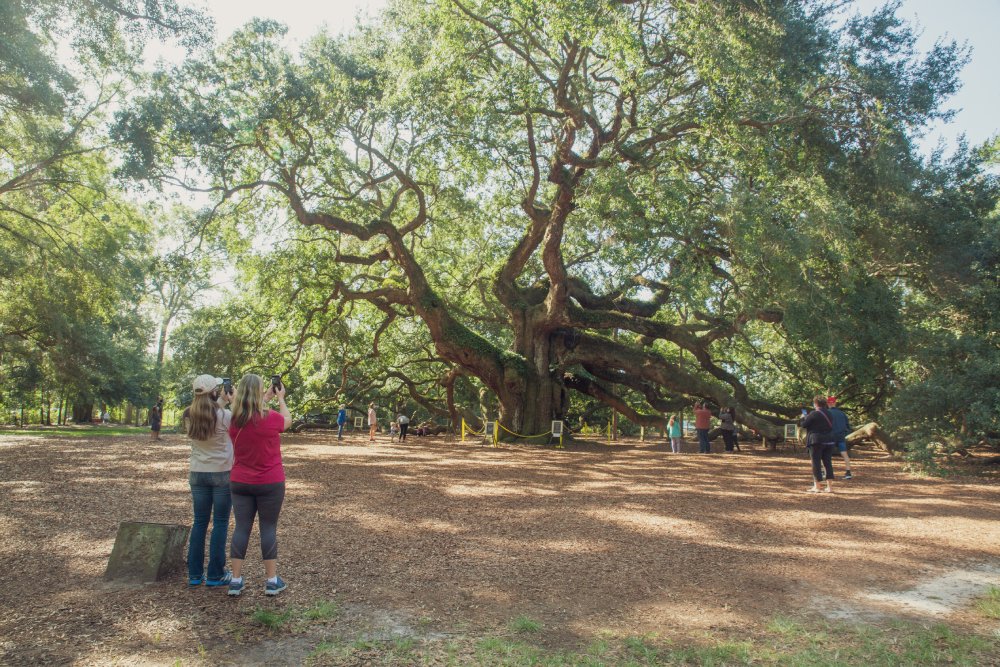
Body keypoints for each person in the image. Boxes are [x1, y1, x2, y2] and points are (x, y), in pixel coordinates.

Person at [226, 374, 292, 596]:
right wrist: (280, 398)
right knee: (268, 528)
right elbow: (287, 421)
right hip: (270, 481)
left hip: (240, 481)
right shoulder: (270, 417)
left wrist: (263, 398)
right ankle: (272, 580)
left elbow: (247, 412)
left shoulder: (233, 419)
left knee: (242, 527)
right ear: (259, 392)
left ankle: (235, 580)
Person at [185, 374, 233, 588]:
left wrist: (222, 400)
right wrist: (228, 400)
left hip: (198, 472)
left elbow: (208, 415)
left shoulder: (187, 415)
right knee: (220, 523)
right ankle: (215, 573)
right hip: (222, 472)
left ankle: (195, 573)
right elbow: (220, 416)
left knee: (200, 522)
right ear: (214, 392)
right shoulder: (224, 415)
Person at [800, 396, 836, 493]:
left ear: (816, 404)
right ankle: (830, 487)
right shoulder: (830, 414)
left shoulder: (814, 414)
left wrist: (803, 417)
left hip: (816, 440)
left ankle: (817, 486)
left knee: (816, 462)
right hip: (829, 440)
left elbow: (804, 425)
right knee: (828, 463)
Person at [828, 397, 854, 480]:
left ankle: (826, 472)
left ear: (828, 403)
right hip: (840, 437)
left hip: (830, 437)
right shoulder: (842, 414)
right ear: (835, 403)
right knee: (844, 454)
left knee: (826, 454)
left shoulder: (827, 413)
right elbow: (848, 427)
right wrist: (844, 433)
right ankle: (848, 472)